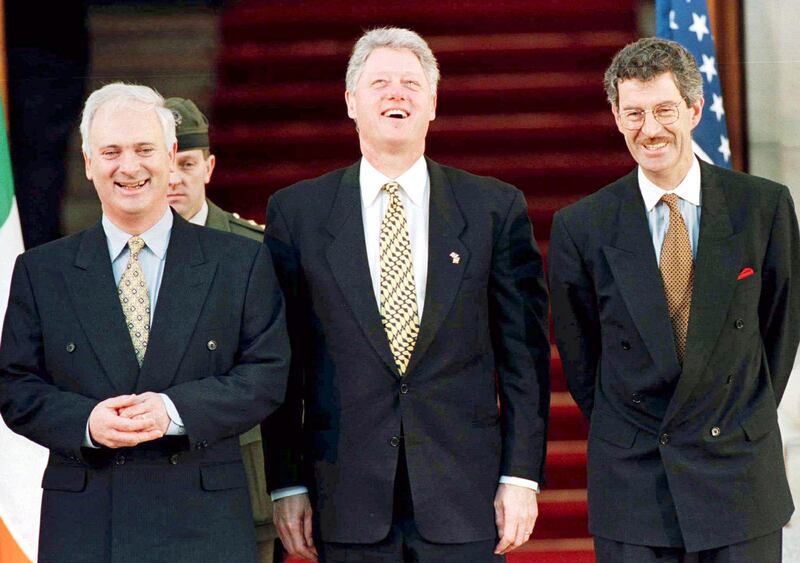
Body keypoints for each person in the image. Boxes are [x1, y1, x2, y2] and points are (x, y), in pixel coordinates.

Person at [261, 27, 550, 563]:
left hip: (464, 495)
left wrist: (521, 476)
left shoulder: (493, 209)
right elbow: (283, 362)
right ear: (350, 102)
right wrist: (286, 483)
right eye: (380, 83)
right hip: (343, 494)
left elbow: (523, 359)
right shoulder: (297, 214)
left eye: (411, 84)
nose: (397, 94)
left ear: (433, 103)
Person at [0, 83, 290, 563]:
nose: (129, 167)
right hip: (88, 525)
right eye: (111, 151)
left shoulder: (239, 262)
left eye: (143, 149)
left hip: (205, 525)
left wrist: (174, 411)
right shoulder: (41, 271)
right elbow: (15, 386)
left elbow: (266, 374)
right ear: (89, 163)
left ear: (172, 154)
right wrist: (87, 422)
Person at [549, 37, 800, 562]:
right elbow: (582, 356)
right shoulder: (582, 225)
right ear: (616, 116)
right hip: (635, 480)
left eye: (664, 109)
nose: (650, 128)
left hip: (738, 473)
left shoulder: (764, 207)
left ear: (694, 109)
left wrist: (735, 414)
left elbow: (780, 330)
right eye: (634, 113)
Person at [165, 96, 276, 562]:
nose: (174, 178)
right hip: (146, 486)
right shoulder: (105, 256)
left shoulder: (256, 251)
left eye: (187, 163)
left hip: (242, 482)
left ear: (208, 167)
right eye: (164, 162)